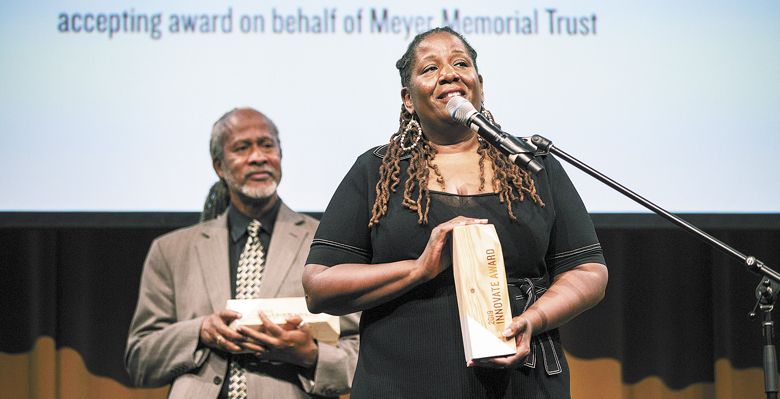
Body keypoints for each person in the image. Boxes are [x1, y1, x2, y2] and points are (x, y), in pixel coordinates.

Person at [302, 27, 608, 398]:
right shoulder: (377, 170)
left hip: (521, 381)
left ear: (479, 84)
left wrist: (533, 319)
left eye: (461, 63)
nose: (449, 73)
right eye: (430, 68)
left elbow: (588, 271)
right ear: (408, 99)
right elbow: (319, 285)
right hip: (402, 382)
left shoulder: (530, 165)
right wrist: (418, 269)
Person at [125, 108, 359, 398]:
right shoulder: (171, 251)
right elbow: (139, 359)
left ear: (280, 156)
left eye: (267, 145)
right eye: (241, 148)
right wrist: (200, 332)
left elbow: (363, 349)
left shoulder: (327, 241)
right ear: (219, 167)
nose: (258, 156)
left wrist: (311, 356)